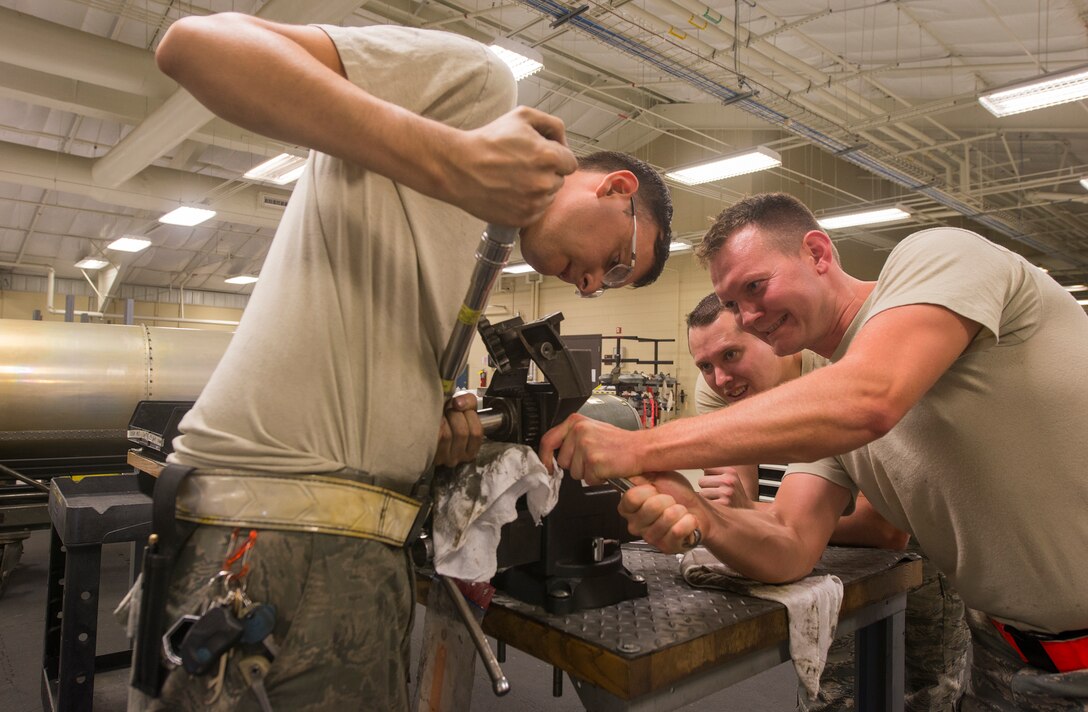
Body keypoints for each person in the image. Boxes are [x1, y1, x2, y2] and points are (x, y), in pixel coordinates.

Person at [140, 12, 674, 712]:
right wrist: (453, 159)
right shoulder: (481, 91)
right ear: (617, 189)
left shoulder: (477, 254)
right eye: (618, 260)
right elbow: (196, 46)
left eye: (610, 283)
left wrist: (428, 419)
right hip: (270, 538)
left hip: (361, 552)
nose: (593, 284)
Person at [541, 192, 1088, 710]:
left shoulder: (939, 254)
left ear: (818, 253)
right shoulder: (830, 395)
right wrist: (700, 513)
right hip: (1007, 653)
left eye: (756, 286)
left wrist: (639, 446)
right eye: (734, 302)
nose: (750, 314)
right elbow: (789, 545)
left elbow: (871, 397)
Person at [686, 292, 968, 711]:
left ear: (771, 337)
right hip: (820, 541)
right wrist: (738, 517)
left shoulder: (846, 369)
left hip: (916, 540)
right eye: (706, 365)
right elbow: (733, 503)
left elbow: (886, 531)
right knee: (829, 693)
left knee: (924, 691)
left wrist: (758, 514)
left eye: (731, 354)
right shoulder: (718, 390)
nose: (720, 378)